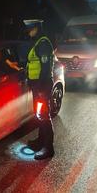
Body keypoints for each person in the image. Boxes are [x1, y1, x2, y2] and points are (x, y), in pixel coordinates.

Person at [24, 19, 55, 160]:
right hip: (37, 85)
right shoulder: (39, 42)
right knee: (39, 114)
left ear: (37, 28)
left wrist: (42, 88)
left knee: (44, 115)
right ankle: (40, 141)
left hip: (42, 85)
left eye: (30, 29)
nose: (28, 32)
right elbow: (34, 63)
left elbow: (45, 68)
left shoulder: (43, 43)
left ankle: (48, 148)